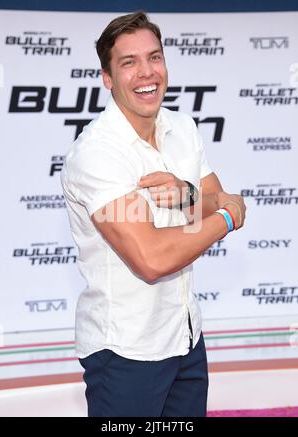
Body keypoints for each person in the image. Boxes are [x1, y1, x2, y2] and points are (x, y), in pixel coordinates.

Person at [61, 11, 246, 417]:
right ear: (108, 78)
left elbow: (213, 197)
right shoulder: (98, 153)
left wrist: (188, 194)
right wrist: (227, 218)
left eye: (155, 57)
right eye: (129, 63)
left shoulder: (182, 127)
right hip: (126, 352)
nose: (147, 72)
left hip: (185, 337)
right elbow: (152, 259)